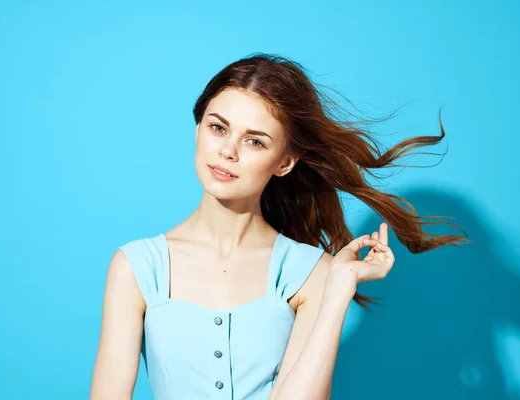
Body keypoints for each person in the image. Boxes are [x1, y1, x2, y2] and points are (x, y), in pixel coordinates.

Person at [89, 53, 469, 400]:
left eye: (255, 141)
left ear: (284, 163)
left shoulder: (311, 272)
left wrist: (337, 292)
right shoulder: (137, 266)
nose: (228, 151)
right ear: (198, 129)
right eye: (218, 128)